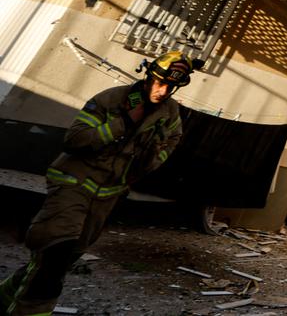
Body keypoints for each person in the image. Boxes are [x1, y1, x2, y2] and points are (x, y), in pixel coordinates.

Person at [0, 50, 198, 316]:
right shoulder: (112, 100)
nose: (163, 91)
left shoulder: (170, 116)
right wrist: (124, 122)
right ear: (149, 76)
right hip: (74, 183)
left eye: (170, 86)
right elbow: (75, 140)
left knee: (67, 257)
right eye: (160, 83)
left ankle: (6, 294)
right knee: (54, 254)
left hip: (108, 195)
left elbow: (163, 153)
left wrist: (151, 153)